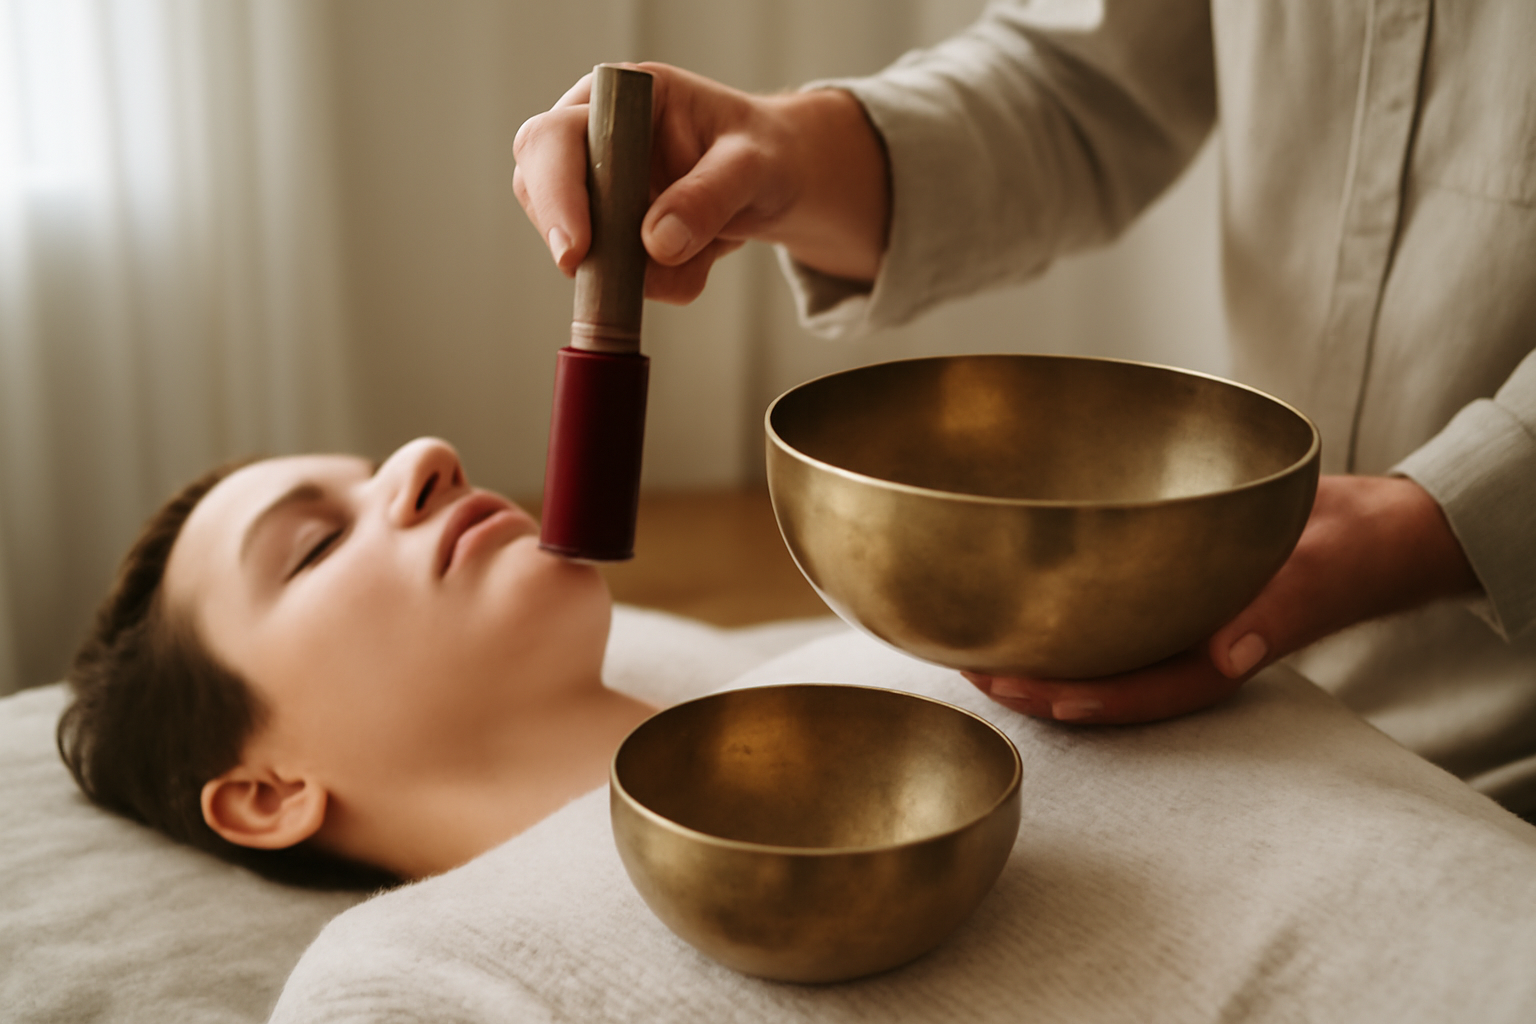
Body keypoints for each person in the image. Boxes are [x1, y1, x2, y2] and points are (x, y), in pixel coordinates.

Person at [512, 2, 1536, 815]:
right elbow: (1084, 84)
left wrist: (1431, 522)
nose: (423, 463)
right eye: (339, 526)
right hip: (1250, 664)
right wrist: (790, 151)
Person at [58, 437, 656, 884]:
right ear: (271, 795)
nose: (426, 454)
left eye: (373, 476)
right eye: (317, 543)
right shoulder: (399, 989)